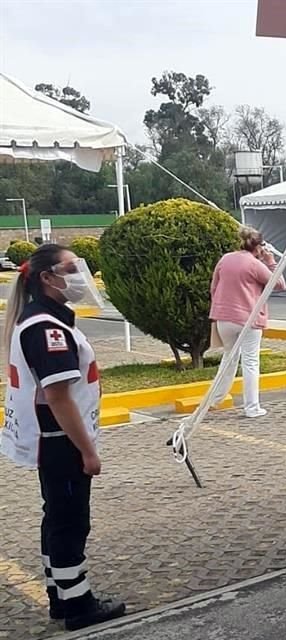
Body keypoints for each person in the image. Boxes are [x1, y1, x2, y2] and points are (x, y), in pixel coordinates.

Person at [0, 245, 126, 630]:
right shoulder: (46, 328)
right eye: (70, 268)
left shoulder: (43, 319)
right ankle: (78, 605)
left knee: (56, 518)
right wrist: (87, 451)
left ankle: (61, 595)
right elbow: (58, 396)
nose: (77, 274)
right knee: (71, 522)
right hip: (61, 440)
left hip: (53, 441)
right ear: (46, 278)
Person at [209, 226, 286, 418]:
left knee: (229, 359)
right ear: (259, 247)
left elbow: (214, 287)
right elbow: (279, 284)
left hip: (224, 318)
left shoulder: (225, 259)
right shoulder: (254, 264)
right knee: (250, 362)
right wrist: (271, 262)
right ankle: (252, 407)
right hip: (248, 319)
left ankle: (214, 399)